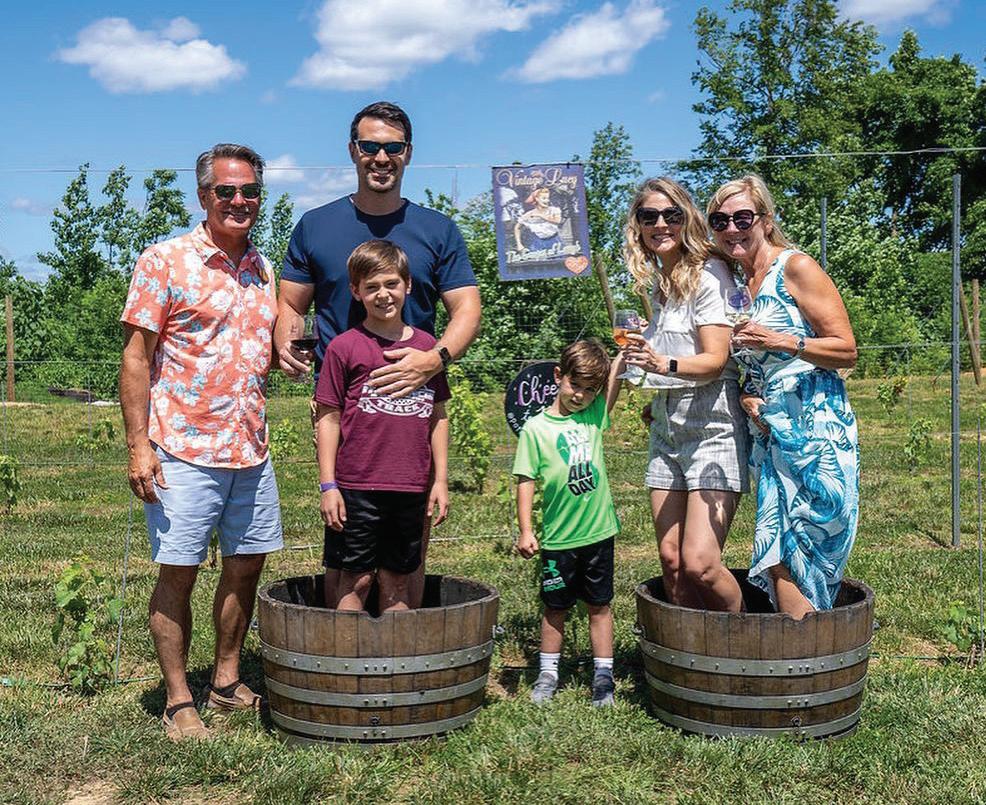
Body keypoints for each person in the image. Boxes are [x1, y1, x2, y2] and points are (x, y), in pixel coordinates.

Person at [274, 101, 480, 606]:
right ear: (353, 151)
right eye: (370, 146)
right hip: (343, 407)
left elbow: (467, 309)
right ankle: (340, 650)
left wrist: (435, 360)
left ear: (408, 153)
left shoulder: (437, 230)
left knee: (406, 554)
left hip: (414, 405)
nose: (381, 157)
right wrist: (285, 341)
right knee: (348, 554)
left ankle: (400, 646)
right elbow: (290, 304)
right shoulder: (316, 225)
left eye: (392, 147)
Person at [119, 144, 283, 741]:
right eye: (226, 191)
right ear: (204, 196)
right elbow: (136, 358)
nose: (239, 201)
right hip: (181, 448)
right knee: (179, 572)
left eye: (250, 191)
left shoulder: (265, 270)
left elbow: (265, 351)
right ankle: (178, 699)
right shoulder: (164, 261)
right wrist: (138, 446)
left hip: (251, 447)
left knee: (246, 567)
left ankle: (226, 680)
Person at [707, 174, 859, 619]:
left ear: (766, 220)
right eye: (720, 221)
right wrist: (747, 396)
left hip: (816, 427)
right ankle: (800, 648)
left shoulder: (795, 267)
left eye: (742, 218)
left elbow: (846, 349)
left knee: (811, 542)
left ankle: (811, 649)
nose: (731, 229)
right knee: (778, 549)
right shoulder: (738, 286)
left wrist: (779, 340)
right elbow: (750, 367)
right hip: (771, 433)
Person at [618, 177, 749, 613]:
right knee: (672, 562)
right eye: (649, 216)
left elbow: (714, 360)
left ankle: (743, 638)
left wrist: (662, 366)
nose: (660, 224)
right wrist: (655, 392)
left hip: (713, 423)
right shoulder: (661, 283)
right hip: (667, 424)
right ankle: (691, 648)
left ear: (686, 219)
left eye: (671, 215)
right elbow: (673, 353)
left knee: (701, 564)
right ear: (638, 226)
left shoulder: (708, 273)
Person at [314, 240, 449, 612]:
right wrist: (329, 485)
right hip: (357, 487)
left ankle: (397, 650)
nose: (383, 294)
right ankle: (343, 649)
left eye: (391, 283)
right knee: (355, 579)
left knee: (398, 580)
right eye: (371, 287)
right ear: (356, 291)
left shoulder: (428, 351)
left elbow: (438, 416)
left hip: (410, 487)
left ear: (408, 284)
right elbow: (328, 418)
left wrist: (439, 480)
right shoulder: (344, 347)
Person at [513, 340, 623, 707]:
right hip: (558, 539)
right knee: (555, 607)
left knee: (599, 605)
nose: (581, 396)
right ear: (559, 376)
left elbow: (615, 381)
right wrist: (526, 529)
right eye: (576, 385)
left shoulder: (593, 416)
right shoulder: (535, 429)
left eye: (591, 390)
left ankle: (604, 676)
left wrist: (624, 353)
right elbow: (525, 479)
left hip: (599, 534)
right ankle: (548, 674)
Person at [514, 187, 562, 253]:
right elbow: (517, 228)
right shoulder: (529, 214)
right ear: (537, 199)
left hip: (555, 240)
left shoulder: (553, 210)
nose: (547, 201)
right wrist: (519, 244)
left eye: (548, 198)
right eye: (544, 198)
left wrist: (540, 215)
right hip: (538, 243)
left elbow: (557, 221)